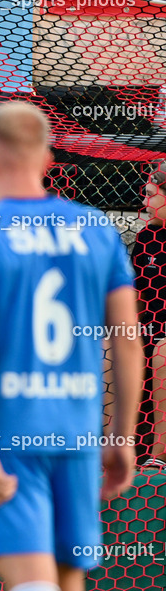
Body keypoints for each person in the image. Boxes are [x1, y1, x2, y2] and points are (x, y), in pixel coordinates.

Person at [0, 101, 142, 591]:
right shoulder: (97, 230)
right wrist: (122, 436)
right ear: (50, 157)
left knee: (30, 586)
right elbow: (127, 339)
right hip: (76, 431)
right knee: (67, 585)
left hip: (12, 432)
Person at [130, 161, 166, 468]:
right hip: (149, 331)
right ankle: (115, 450)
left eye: (151, 195)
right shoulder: (146, 240)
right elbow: (139, 299)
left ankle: (159, 455)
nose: (144, 202)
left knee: (164, 352)